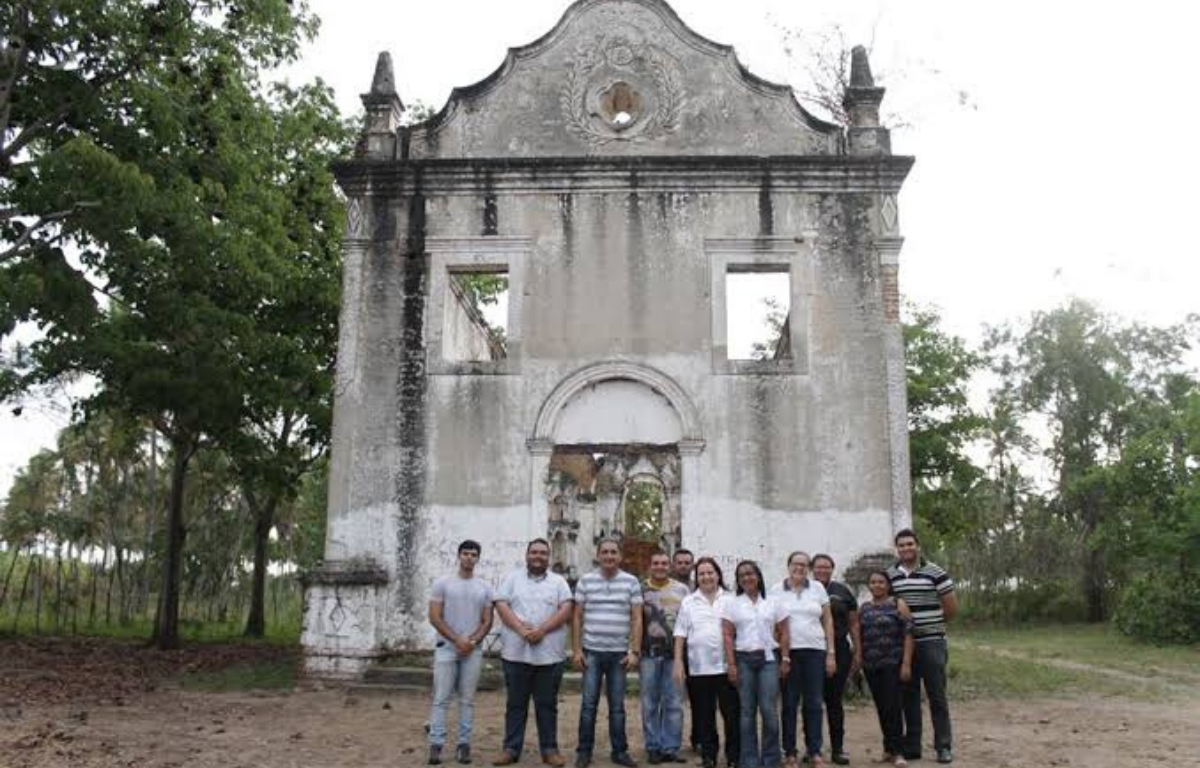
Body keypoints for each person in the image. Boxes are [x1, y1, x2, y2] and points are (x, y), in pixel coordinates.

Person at [492, 538, 574, 767]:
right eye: (534, 552)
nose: (538, 556)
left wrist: (542, 630)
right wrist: (521, 630)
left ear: (549, 557)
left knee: (547, 705)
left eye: (543, 553)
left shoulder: (559, 582)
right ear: (526, 555)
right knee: (515, 705)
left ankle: (549, 750)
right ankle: (511, 748)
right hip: (515, 654)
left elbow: (566, 609)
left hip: (549, 656)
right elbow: (501, 604)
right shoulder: (512, 579)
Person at [888, 529, 958, 764]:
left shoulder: (935, 572)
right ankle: (913, 746)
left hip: (931, 642)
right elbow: (887, 602)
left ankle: (943, 746)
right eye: (902, 545)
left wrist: (932, 626)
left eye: (910, 544)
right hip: (903, 645)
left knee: (937, 695)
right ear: (897, 549)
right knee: (908, 695)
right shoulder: (891, 575)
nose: (906, 548)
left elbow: (950, 607)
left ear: (918, 546)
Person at [573, 538, 644, 768]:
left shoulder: (631, 582)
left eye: (613, 552)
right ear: (598, 555)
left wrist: (634, 651)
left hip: (618, 655)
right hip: (591, 652)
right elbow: (577, 617)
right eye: (605, 552)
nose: (609, 556)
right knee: (588, 706)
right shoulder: (586, 581)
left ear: (620, 556)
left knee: (617, 707)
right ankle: (584, 752)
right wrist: (576, 650)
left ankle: (619, 751)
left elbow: (637, 618)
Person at [427, 540, 495, 766]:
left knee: (467, 700)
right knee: (441, 698)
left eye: (473, 554)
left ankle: (463, 745)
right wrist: (457, 639)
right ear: (458, 556)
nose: (468, 557)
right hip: (446, 648)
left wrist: (472, 641)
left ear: (478, 558)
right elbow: (435, 617)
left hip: (472, 651)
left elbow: (487, 621)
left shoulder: (484, 587)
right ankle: (436, 744)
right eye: (465, 553)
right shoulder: (443, 583)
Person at [722, 560, 789, 768]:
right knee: (747, 712)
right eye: (742, 575)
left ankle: (770, 760)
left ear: (758, 576)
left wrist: (785, 658)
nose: (746, 578)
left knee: (769, 711)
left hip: (768, 660)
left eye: (750, 574)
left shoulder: (773, 601)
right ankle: (749, 760)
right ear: (738, 580)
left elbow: (784, 631)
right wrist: (731, 665)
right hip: (743, 661)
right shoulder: (732, 603)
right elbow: (727, 635)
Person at [673, 557, 740, 768]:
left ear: (718, 575)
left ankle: (733, 756)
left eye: (710, 572)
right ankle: (709, 756)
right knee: (704, 715)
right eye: (701, 574)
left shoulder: (731, 599)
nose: (706, 577)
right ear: (697, 578)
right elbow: (680, 634)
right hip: (699, 667)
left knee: (731, 714)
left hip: (726, 667)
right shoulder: (689, 601)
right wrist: (678, 662)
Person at [772, 552, 835, 768]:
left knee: (814, 703)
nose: (799, 567)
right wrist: (780, 653)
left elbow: (827, 620)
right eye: (795, 563)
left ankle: (814, 751)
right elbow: (773, 624)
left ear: (808, 568)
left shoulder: (817, 588)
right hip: (789, 654)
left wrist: (831, 652)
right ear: (788, 566)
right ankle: (790, 753)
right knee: (789, 704)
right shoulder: (776, 590)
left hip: (815, 652)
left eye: (803, 564)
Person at [859, 570, 914, 768]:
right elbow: (859, 636)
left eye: (881, 582)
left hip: (893, 663)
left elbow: (909, 634)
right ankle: (888, 750)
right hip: (871, 666)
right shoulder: (864, 608)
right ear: (869, 586)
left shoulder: (898, 604)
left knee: (893, 707)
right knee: (882, 708)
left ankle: (899, 752)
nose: (877, 585)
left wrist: (906, 663)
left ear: (888, 585)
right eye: (873, 582)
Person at [811, 554, 862, 766]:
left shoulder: (843, 591)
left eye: (827, 567)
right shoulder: (805, 590)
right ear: (812, 569)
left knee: (834, 701)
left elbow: (854, 623)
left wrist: (858, 650)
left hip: (839, 650)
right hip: (811, 650)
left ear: (832, 569)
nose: (822, 571)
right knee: (812, 703)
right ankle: (813, 750)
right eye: (818, 567)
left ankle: (838, 749)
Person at [641, 550, 690, 764]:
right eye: (656, 563)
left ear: (669, 566)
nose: (660, 566)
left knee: (674, 702)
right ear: (650, 566)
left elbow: (688, 621)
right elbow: (634, 620)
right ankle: (653, 746)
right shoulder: (641, 589)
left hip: (675, 655)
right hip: (648, 654)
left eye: (664, 563)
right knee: (649, 702)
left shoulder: (682, 589)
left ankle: (670, 747)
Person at [670, 548, 699, 755]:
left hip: (697, 651)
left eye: (687, 562)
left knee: (699, 698)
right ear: (674, 564)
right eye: (679, 562)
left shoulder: (699, 587)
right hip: (673, 650)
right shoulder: (668, 586)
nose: (683, 566)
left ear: (693, 565)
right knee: (673, 699)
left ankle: (697, 738)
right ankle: (671, 742)